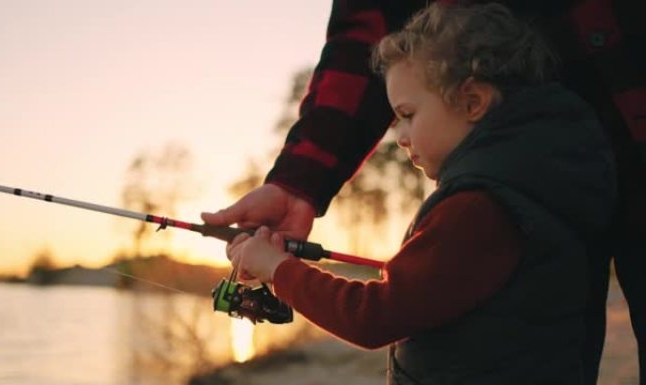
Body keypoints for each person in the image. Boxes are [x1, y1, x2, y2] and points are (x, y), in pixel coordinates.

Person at [203, 0, 645, 383]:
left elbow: (375, 316)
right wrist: (299, 181)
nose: (400, 135)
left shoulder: (481, 208)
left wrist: (279, 269)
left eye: (408, 114)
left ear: (472, 102)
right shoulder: (541, 187)